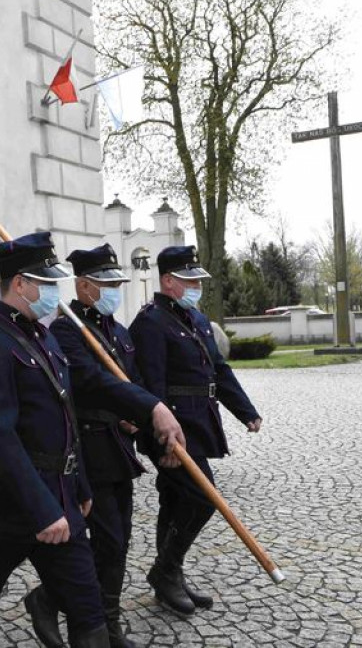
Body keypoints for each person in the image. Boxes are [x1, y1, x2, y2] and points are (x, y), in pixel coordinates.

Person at [0, 232, 185, 648]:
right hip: (5, 505)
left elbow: (67, 420)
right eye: (46, 282)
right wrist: (42, 511)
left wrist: (80, 488)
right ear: (20, 284)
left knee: (88, 609)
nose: (54, 290)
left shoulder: (45, 337)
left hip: (59, 497)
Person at [22, 243, 179, 648]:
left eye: (117, 283)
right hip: (88, 451)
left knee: (119, 540)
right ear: (84, 285)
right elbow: (94, 383)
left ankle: (88, 613)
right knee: (107, 541)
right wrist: (139, 406)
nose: (114, 290)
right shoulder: (66, 331)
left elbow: (135, 385)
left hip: (119, 449)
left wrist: (150, 430)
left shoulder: (119, 332)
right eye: (106, 284)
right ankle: (82, 614)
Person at [128, 245, 264, 615]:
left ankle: (170, 577)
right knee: (203, 498)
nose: (196, 286)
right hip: (171, 430)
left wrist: (245, 411)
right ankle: (165, 571)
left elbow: (218, 370)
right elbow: (149, 384)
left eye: (198, 280)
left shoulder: (195, 319)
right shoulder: (151, 322)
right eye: (189, 280)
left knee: (175, 500)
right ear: (168, 281)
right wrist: (162, 437)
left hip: (199, 423)